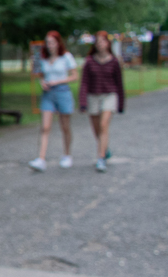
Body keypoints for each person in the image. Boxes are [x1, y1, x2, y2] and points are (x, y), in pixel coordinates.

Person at [28, 30, 78, 172]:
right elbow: (40, 74)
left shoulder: (66, 57)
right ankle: (41, 158)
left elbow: (74, 76)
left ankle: (67, 155)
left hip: (62, 92)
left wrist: (58, 81)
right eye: (47, 42)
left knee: (65, 126)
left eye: (52, 42)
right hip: (48, 94)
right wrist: (42, 82)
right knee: (45, 127)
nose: (49, 45)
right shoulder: (42, 58)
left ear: (58, 43)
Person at [78, 30, 124, 173]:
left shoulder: (114, 61)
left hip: (109, 95)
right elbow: (84, 82)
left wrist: (121, 103)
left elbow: (119, 84)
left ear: (107, 43)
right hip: (93, 96)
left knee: (104, 125)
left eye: (103, 41)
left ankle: (100, 157)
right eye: (98, 42)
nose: (100, 44)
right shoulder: (90, 61)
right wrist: (83, 101)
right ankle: (105, 148)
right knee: (96, 128)